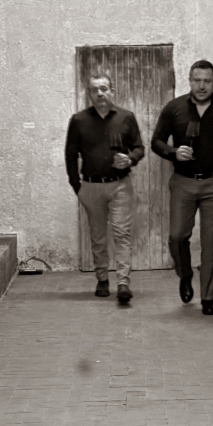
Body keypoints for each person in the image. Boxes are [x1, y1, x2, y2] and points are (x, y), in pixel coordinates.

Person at [152, 60, 213, 315]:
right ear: (190, 81)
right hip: (183, 181)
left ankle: (208, 297)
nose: (202, 86)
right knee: (177, 236)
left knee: (211, 241)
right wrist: (173, 152)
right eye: (197, 80)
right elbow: (156, 142)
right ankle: (185, 274)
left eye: (207, 81)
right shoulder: (174, 108)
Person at [65, 73, 145, 304]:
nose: (100, 93)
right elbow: (70, 155)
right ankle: (102, 279)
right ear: (89, 94)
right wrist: (77, 185)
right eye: (94, 89)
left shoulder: (126, 117)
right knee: (98, 236)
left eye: (104, 88)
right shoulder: (79, 120)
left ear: (112, 91)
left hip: (120, 185)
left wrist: (130, 159)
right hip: (91, 186)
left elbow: (139, 148)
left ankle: (123, 283)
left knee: (122, 232)